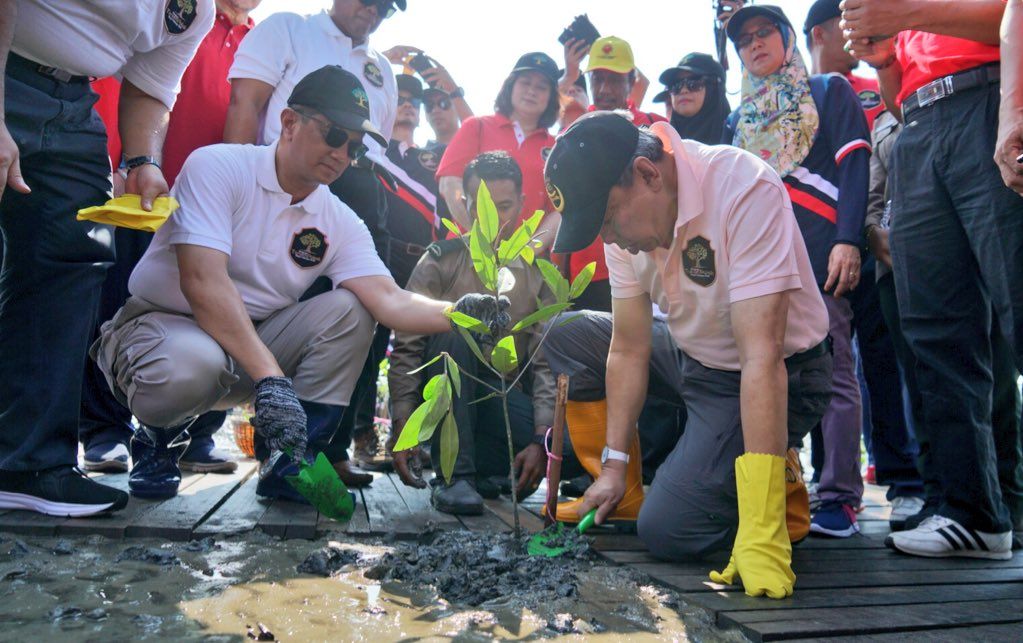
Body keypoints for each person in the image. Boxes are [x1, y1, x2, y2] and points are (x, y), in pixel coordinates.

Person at [91, 66, 504, 503]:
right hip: (163, 331)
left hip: (250, 348)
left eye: (355, 146)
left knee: (353, 308)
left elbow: (390, 300)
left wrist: (463, 312)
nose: (342, 153)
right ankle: (158, 437)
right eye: (333, 134)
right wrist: (271, 378)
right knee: (193, 364)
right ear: (289, 122)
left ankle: (291, 462)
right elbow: (202, 281)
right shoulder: (218, 165)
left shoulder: (339, 220)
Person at [546, 111, 832, 599]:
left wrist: (760, 530)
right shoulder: (629, 231)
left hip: (767, 372)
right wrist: (614, 463)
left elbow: (762, 355)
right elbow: (630, 346)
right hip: (688, 350)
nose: (608, 239)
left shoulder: (743, 188)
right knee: (569, 333)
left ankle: (776, 495)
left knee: (668, 531)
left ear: (647, 173)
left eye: (608, 219)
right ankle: (624, 489)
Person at [0, 0, 214, 517]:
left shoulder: (196, 9)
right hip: (8, 68)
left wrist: (141, 159)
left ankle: (29, 463)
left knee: (76, 257)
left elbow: (151, 83)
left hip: (74, 102)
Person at [845, 0, 1021, 559]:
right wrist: (882, 58)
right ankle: (972, 514)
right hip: (916, 123)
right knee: (934, 330)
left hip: (992, 98)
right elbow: (897, 96)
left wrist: (903, 15)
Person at [225, 0, 406, 487]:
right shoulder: (287, 30)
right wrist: (239, 185)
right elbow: (246, 106)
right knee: (292, 308)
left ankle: (332, 449)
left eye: (386, 7)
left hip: (359, 193)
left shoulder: (383, 69)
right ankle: (280, 452)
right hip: (284, 188)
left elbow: (368, 146)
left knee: (365, 316)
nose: (374, 10)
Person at [81, 0, 261, 478]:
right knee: (116, 302)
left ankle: (194, 436)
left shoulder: (260, 40)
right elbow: (137, 82)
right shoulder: (184, 13)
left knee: (209, 313)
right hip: (145, 192)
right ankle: (105, 432)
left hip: (215, 211)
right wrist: (125, 161)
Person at [724, 5, 871, 539]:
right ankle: (786, 494)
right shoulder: (735, 120)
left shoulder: (829, 90)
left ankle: (840, 499)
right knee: (767, 375)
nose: (756, 44)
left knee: (834, 373)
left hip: (817, 252)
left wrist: (848, 241)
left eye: (766, 33)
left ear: (788, 38)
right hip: (760, 266)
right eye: (745, 40)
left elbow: (855, 163)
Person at [389, 151, 567, 514]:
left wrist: (540, 437)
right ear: (464, 203)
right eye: (483, 206)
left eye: (504, 207)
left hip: (501, 396)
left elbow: (545, 364)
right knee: (453, 333)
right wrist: (402, 419)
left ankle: (491, 471)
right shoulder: (440, 259)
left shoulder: (537, 274)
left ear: (521, 203)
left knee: (571, 450)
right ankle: (454, 477)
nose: (495, 220)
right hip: (444, 394)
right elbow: (407, 345)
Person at [803, 0, 924, 527]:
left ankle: (905, 479)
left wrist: (868, 230)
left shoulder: (872, 82)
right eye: (845, 24)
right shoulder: (794, 100)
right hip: (828, 246)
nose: (855, 32)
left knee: (885, 362)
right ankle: (826, 480)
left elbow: (879, 156)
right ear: (820, 33)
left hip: (881, 244)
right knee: (821, 363)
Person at [559, 35, 667, 314]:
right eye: (597, 79)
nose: (605, 89)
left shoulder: (657, 127)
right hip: (589, 269)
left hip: (654, 263)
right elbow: (562, 206)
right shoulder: (572, 134)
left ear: (633, 81)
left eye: (615, 79)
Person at [436, 52, 562, 247]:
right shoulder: (476, 126)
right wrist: (480, 239)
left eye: (541, 87)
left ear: (551, 97)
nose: (532, 91)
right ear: (510, 87)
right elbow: (449, 184)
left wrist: (526, 252)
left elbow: (558, 212)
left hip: (521, 265)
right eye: (525, 83)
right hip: (466, 251)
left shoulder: (558, 147)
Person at [651, 53, 731, 145]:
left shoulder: (741, 135)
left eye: (694, 83)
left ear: (713, 87)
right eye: (676, 85)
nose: (683, 90)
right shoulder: (660, 148)